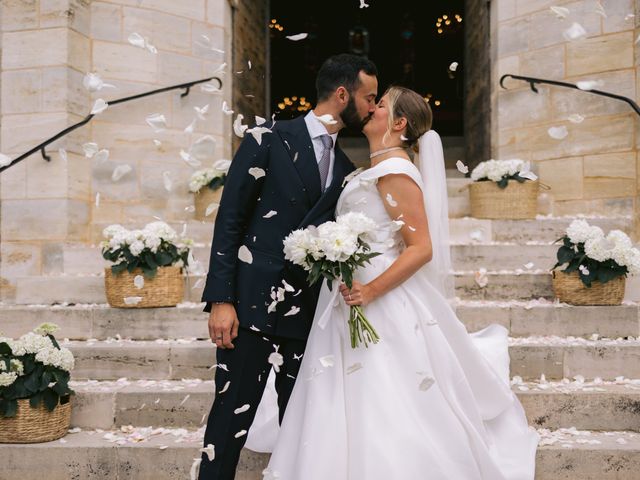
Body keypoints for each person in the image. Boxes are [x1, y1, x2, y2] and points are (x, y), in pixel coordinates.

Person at [261, 86, 539, 479]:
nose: (371, 109)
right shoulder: (374, 169)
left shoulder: (395, 172)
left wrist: (372, 290)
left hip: (378, 295)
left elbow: (420, 247)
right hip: (349, 293)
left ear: (399, 122)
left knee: (384, 390)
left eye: (381, 105)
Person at [198, 54, 378, 479]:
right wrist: (221, 299)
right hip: (250, 309)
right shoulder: (268, 137)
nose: (372, 107)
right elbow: (230, 220)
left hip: (308, 317)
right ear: (341, 94)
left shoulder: (349, 171)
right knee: (228, 421)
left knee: (302, 431)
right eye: (368, 97)